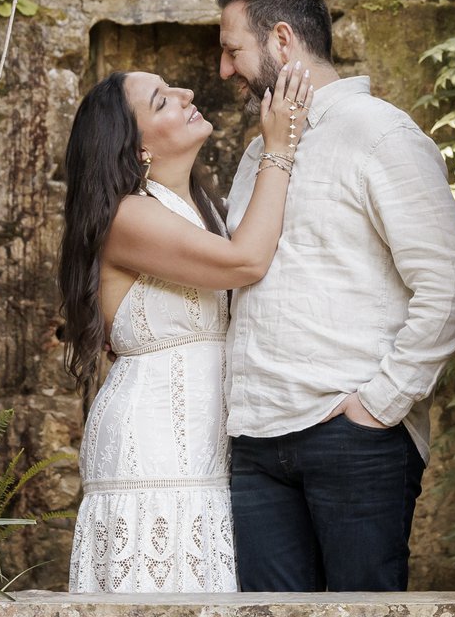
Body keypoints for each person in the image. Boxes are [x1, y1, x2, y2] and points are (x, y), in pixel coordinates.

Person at [216, 0, 455, 592]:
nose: (224, 70)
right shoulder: (257, 153)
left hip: (352, 437)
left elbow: (448, 284)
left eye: (232, 50)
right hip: (255, 441)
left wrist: (378, 405)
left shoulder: (380, 133)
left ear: (281, 41)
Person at [60, 62, 315, 593]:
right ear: (137, 150)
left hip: (206, 445)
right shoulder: (127, 217)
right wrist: (279, 148)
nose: (186, 92)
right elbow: (246, 261)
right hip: (152, 449)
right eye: (161, 100)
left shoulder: (205, 209)